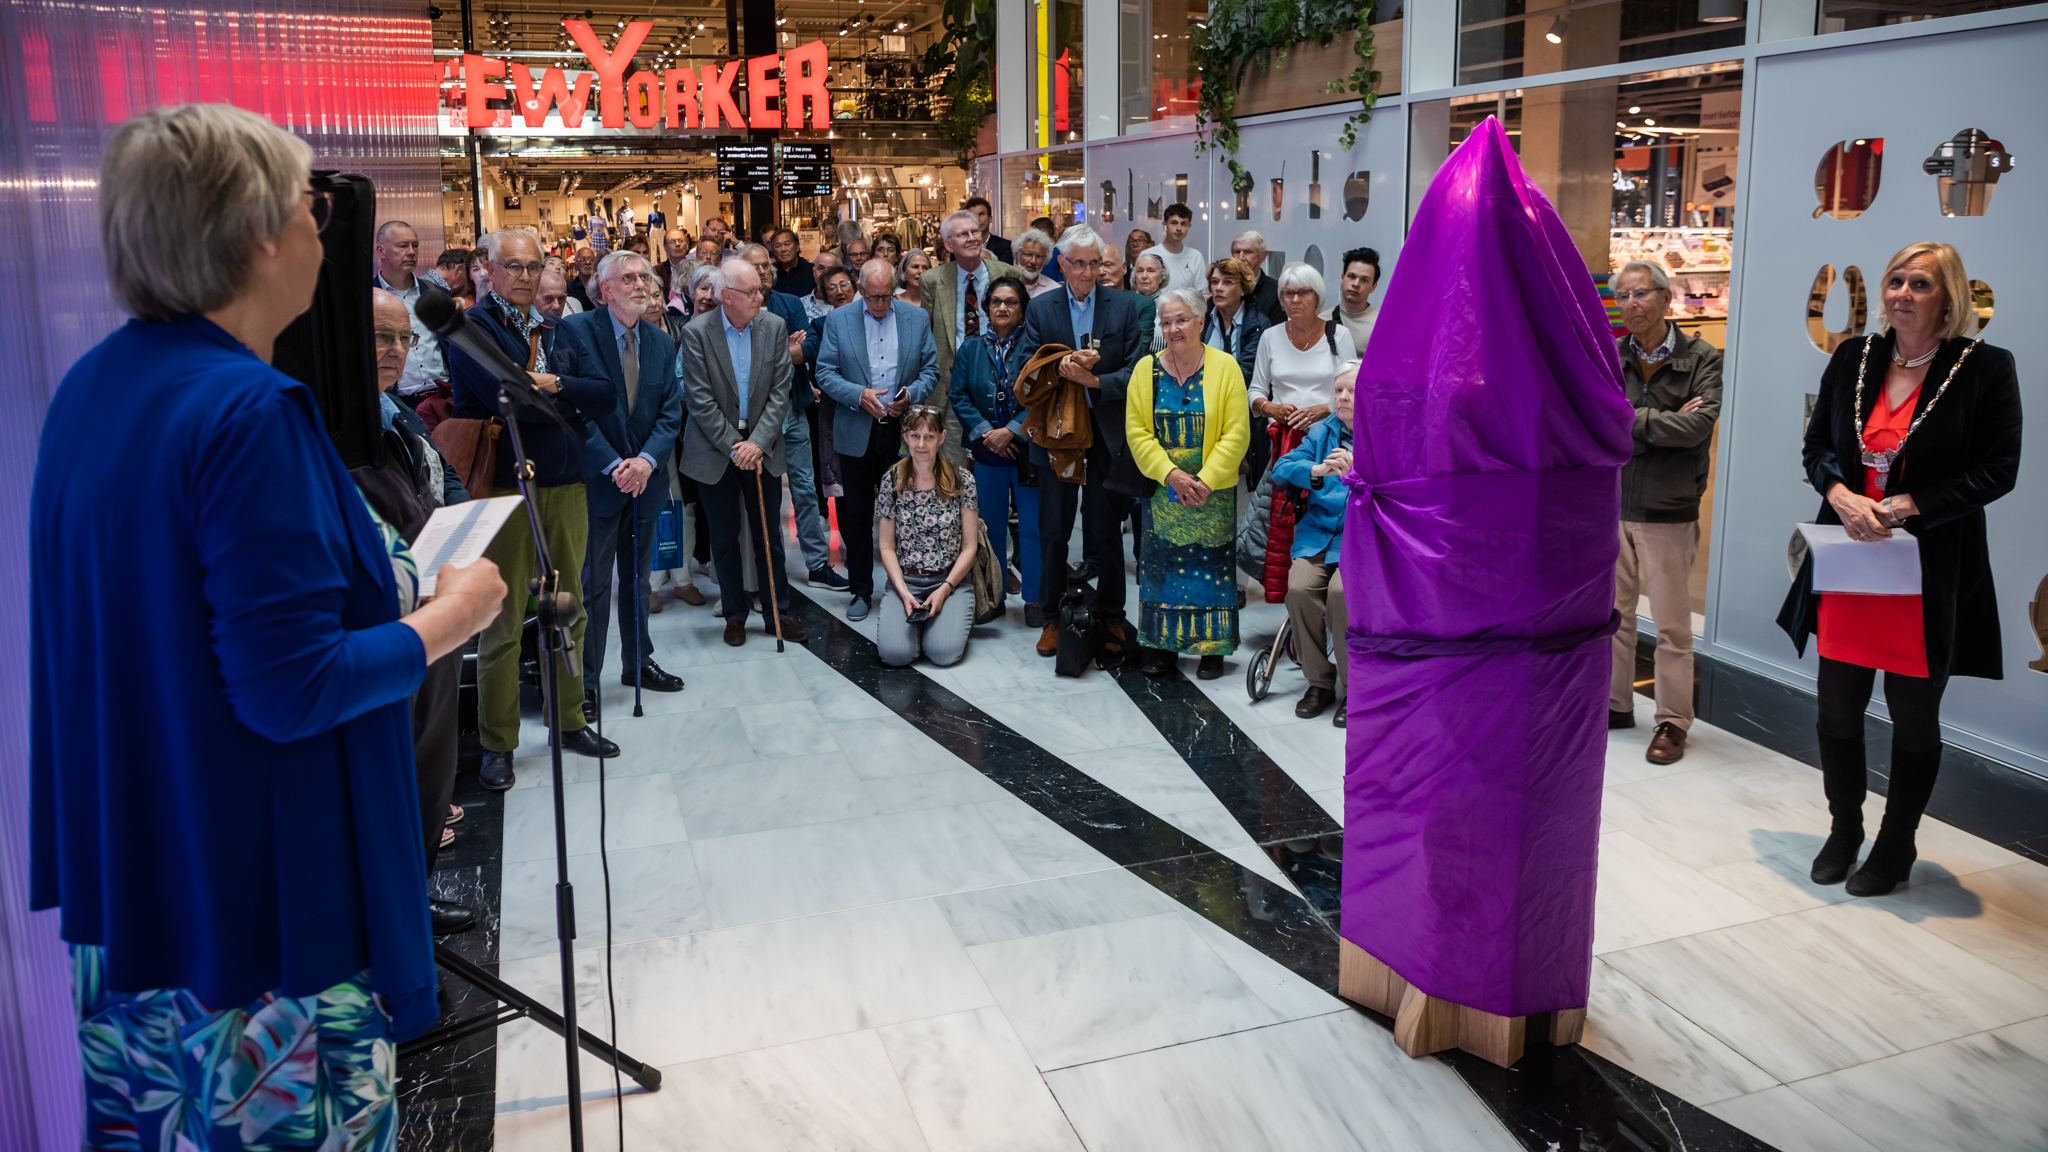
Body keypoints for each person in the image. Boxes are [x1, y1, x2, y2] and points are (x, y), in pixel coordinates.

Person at [33, 103, 507, 1145]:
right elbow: (291, 686)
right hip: (263, 920)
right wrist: (451, 615)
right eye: (308, 211)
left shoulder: (94, 391)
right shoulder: (248, 414)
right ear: (256, 233)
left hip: (152, 884)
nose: (319, 237)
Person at [1778, 240, 2022, 897]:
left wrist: (1911, 504)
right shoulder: (1855, 357)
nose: (1902, 294)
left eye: (1920, 284)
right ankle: (1844, 829)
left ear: (1948, 300)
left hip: (1926, 568)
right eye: (1895, 281)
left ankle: (1896, 844)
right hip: (1851, 557)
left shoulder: (1985, 368)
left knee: (1914, 714)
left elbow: (2000, 470)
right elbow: (1817, 445)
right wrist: (1840, 494)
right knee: (1837, 708)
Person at [448, 229, 622, 788]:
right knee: (502, 623)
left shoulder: (559, 325)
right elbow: (515, 397)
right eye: (513, 266)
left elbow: (605, 392)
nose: (525, 276)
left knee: (567, 607)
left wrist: (557, 386)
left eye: (533, 266)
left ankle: (569, 720)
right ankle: (498, 743)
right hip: (506, 487)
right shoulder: (473, 329)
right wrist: (564, 398)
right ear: (487, 269)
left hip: (566, 481)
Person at [362, 288, 474, 932]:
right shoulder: (339, 419)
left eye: (403, 338)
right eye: (380, 336)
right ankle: (397, 917)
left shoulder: (393, 408)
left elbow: (437, 474)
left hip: (436, 594)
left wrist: (462, 524)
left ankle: (416, 889)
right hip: (398, 619)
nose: (395, 350)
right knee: (397, 776)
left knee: (429, 771)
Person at [554, 250, 687, 713]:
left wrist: (647, 461)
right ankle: (586, 683)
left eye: (645, 277)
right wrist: (614, 463)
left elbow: (671, 410)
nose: (640, 285)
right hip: (600, 478)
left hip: (645, 479)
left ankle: (638, 661)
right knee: (593, 584)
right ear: (605, 289)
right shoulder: (576, 332)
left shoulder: (661, 341)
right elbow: (569, 408)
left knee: (638, 579)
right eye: (627, 278)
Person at [1607, 259, 1723, 765]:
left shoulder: (1703, 357)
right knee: (1615, 616)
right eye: (1622, 297)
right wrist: (1662, 421)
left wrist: (1629, 420)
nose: (1630, 305)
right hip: (1614, 504)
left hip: (1669, 509)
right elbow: (1598, 418)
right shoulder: (1611, 356)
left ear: (1665, 298)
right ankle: (1614, 705)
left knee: (1674, 626)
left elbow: (1697, 430)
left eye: (1640, 294)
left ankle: (1673, 721)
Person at [1019, 224, 1147, 659]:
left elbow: (1138, 372)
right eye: (1080, 263)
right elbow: (1028, 367)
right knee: (1053, 530)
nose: (1090, 272)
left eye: (1096, 263)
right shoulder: (1041, 308)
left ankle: (1113, 613)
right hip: (1057, 436)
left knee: (1106, 530)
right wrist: (1063, 366)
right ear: (1063, 264)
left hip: (1106, 433)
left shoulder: (1124, 307)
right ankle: (1052, 618)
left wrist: (1094, 380)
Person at [678, 260, 810, 645]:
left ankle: (777, 611)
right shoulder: (697, 332)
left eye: (760, 289)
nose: (760, 296)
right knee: (723, 537)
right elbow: (699, 400)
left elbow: (780, 391)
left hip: (763, 446)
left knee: (769, 536)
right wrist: (736, 447)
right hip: (715, 448)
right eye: (751, 292)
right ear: (727, 297)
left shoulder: (773, 327)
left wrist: (757, 443)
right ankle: (734, 614)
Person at [1126, 287, 1251, 680]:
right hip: (1165, 492)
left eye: (1182, 319)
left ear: (1200, 321)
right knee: (1161, 570)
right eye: (1166, 321)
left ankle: (1211, 649)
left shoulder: (1225, 366)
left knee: (1211, 569)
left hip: (1212, 494)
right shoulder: (1145, 370)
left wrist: (1205, 480)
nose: (1174, 328)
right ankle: (1162, 647)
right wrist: (1172, 475)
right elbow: (1137, 432)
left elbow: (1236, 432)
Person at [817, 259, 942, 619]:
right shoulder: (839, 320)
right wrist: (859, 395)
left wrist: (911, 394)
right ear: (859, 289)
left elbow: (931, 368)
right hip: (856, 428)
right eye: (873, 298)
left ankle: (902, 588)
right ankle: (860, 590)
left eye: (887, 296)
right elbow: (824, 371)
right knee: (856, 515)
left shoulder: (915, 318)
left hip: (902, 432)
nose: (881, 305)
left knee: (904, 512)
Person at [949, 275, 1040, 620]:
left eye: (1011, 302)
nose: (1002, 307)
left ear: (1022, 309)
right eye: (996, 302)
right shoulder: (970, 347)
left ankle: (1034, 599)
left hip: (1027, 451)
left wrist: (1013, 431)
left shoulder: (1034, 347)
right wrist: (989, 433)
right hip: (987, 449)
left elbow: (1043, 394)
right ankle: (995, 597)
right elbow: (958, 394)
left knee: (1031, 527)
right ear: (986, 308)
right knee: (990, 527)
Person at [1272, 362, 1358, 726]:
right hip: (1318, 533)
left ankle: (1353, 688)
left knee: (1341, 594)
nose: (1342, 397)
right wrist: (1317, 471)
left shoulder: (1386, 433)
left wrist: (1357, 471)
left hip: (1362, 538)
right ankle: (1318, 682)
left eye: (1351, 391)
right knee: (1300, 588)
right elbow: (1282, 469)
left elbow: (1399, 484)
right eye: (1338, 390)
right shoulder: (1323, 431)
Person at [877, 406, 981, 666]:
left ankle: (941, 622)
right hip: (907, 580)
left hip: (949, 580)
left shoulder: (962, 480)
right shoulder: (892, 479)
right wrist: (902, 591)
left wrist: (945, 589)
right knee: (894, 655)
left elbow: (970, 546)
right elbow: (887, 546)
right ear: (905, 436)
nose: (921, 444)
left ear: (942, 437)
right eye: (914, 435)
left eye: (929, 436)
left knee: (942, 654)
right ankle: (918, 624)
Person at [921, 209, 1019, 466]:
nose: (972, 238)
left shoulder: (1008, 274)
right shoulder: (932, 280)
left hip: (1001, 388)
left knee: (996, 467)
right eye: (962, 234)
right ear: (948, 244)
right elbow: (926, 340)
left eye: (975, 231)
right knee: (951, 470)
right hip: (953, 389)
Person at [373, 220, 448, 403]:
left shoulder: (436, 295)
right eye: (403, 246)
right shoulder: (368, 300)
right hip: (396, 402)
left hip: (443, 398)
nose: (412, 252)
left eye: (415, 245)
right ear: (381, 251)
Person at [1204, 257, 1270, 386]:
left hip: (1239, 394)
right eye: (1215, 282)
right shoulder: (1201, 319)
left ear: (1243, 289)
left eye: (1227, 282)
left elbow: (1246, 372)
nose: (1218, 288)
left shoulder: (1259, 325)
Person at [1323, 246, 1381, 354]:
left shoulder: (1380, 325)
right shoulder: (1321, 321)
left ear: (1373, 286)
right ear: (1342, 278)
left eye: (1364, 280)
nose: (1356, 284)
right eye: (1352, 276)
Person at [1140, 203, 1205, 296]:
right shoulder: (1147, 255)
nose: (1179, 228)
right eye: (1174, 223)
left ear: (1189, 226)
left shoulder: (1195, 256)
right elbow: (1140, 292)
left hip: (1184, 310)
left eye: (1183, 224)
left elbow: (1200, 294)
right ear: (1164, 224)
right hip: (1153, 309)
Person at [1102, 248, 1151, 372]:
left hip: (1128, 374)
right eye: (1097, 265)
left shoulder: (1142, 303)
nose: (1102, 271)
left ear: (1124, 268)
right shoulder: (1088, 302)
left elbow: (1140, 349)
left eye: (1108, 265)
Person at [1230, 230, 1284, 324]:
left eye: (1248, 252)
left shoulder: (1276, 292)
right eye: (1237, 252)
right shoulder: (1223, 287)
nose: (1241, 258)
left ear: (1262, 256)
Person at [1133, 253, 1168, 352]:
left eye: (1150, 271)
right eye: (1140, 271)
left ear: (1161, 277)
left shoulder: (1170, 306)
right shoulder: (1125, 303)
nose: (1144, 276)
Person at [1013, 228, 1060, 297]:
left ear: (1045, 259)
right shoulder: (1006, 286)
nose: (1033, 261)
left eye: (1038, 256)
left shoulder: (1054, 289)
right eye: (1028, 254)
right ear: (1017, 255)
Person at [966, 195, 1013, 264]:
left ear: (990, 218)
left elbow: (1006, 273)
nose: (978, 220)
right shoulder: (961, 246)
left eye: (981, 214)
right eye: (973, 216)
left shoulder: (1005, 246)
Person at [771, 227, 815, 297]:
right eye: (778, 245)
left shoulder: (812, 271)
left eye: (787, 244)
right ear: (773, 251)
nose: (783, 249)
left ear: (797, 247)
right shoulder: (770, 272)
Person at [656, 230, 693, 299]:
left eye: (681, 240)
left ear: (687, 245)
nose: (677, 244)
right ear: (665, 247)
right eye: (672, 242)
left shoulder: (696, 268)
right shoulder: (657, 271)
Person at [569, 245, 599, 311]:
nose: (587, 262)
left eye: (591, 259)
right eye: (583, 259)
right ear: (575, 266)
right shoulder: (569, 288)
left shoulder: (601, 286)